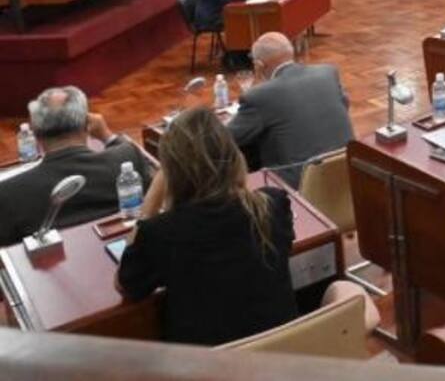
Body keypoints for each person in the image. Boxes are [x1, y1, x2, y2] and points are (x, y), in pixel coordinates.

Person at [116, 107, 297, 345]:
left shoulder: (159, 233)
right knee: (341, 289)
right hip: (283, 356)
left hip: (206, 368)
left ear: (173, 174)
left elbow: (126, 284)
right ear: (234, 156)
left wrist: (149, 206)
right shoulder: (272, 204)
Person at [0, 86, 151, 247]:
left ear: (35, 132)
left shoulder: (8, 194)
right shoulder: (128, 157)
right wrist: (107, 135)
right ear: (88, 124)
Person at [227, 33, 353, 189]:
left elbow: (227, 137)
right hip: (346, 171)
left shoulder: (259, 96)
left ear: (258, 65)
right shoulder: (327, 72)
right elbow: (345, 105)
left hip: (299, 185)